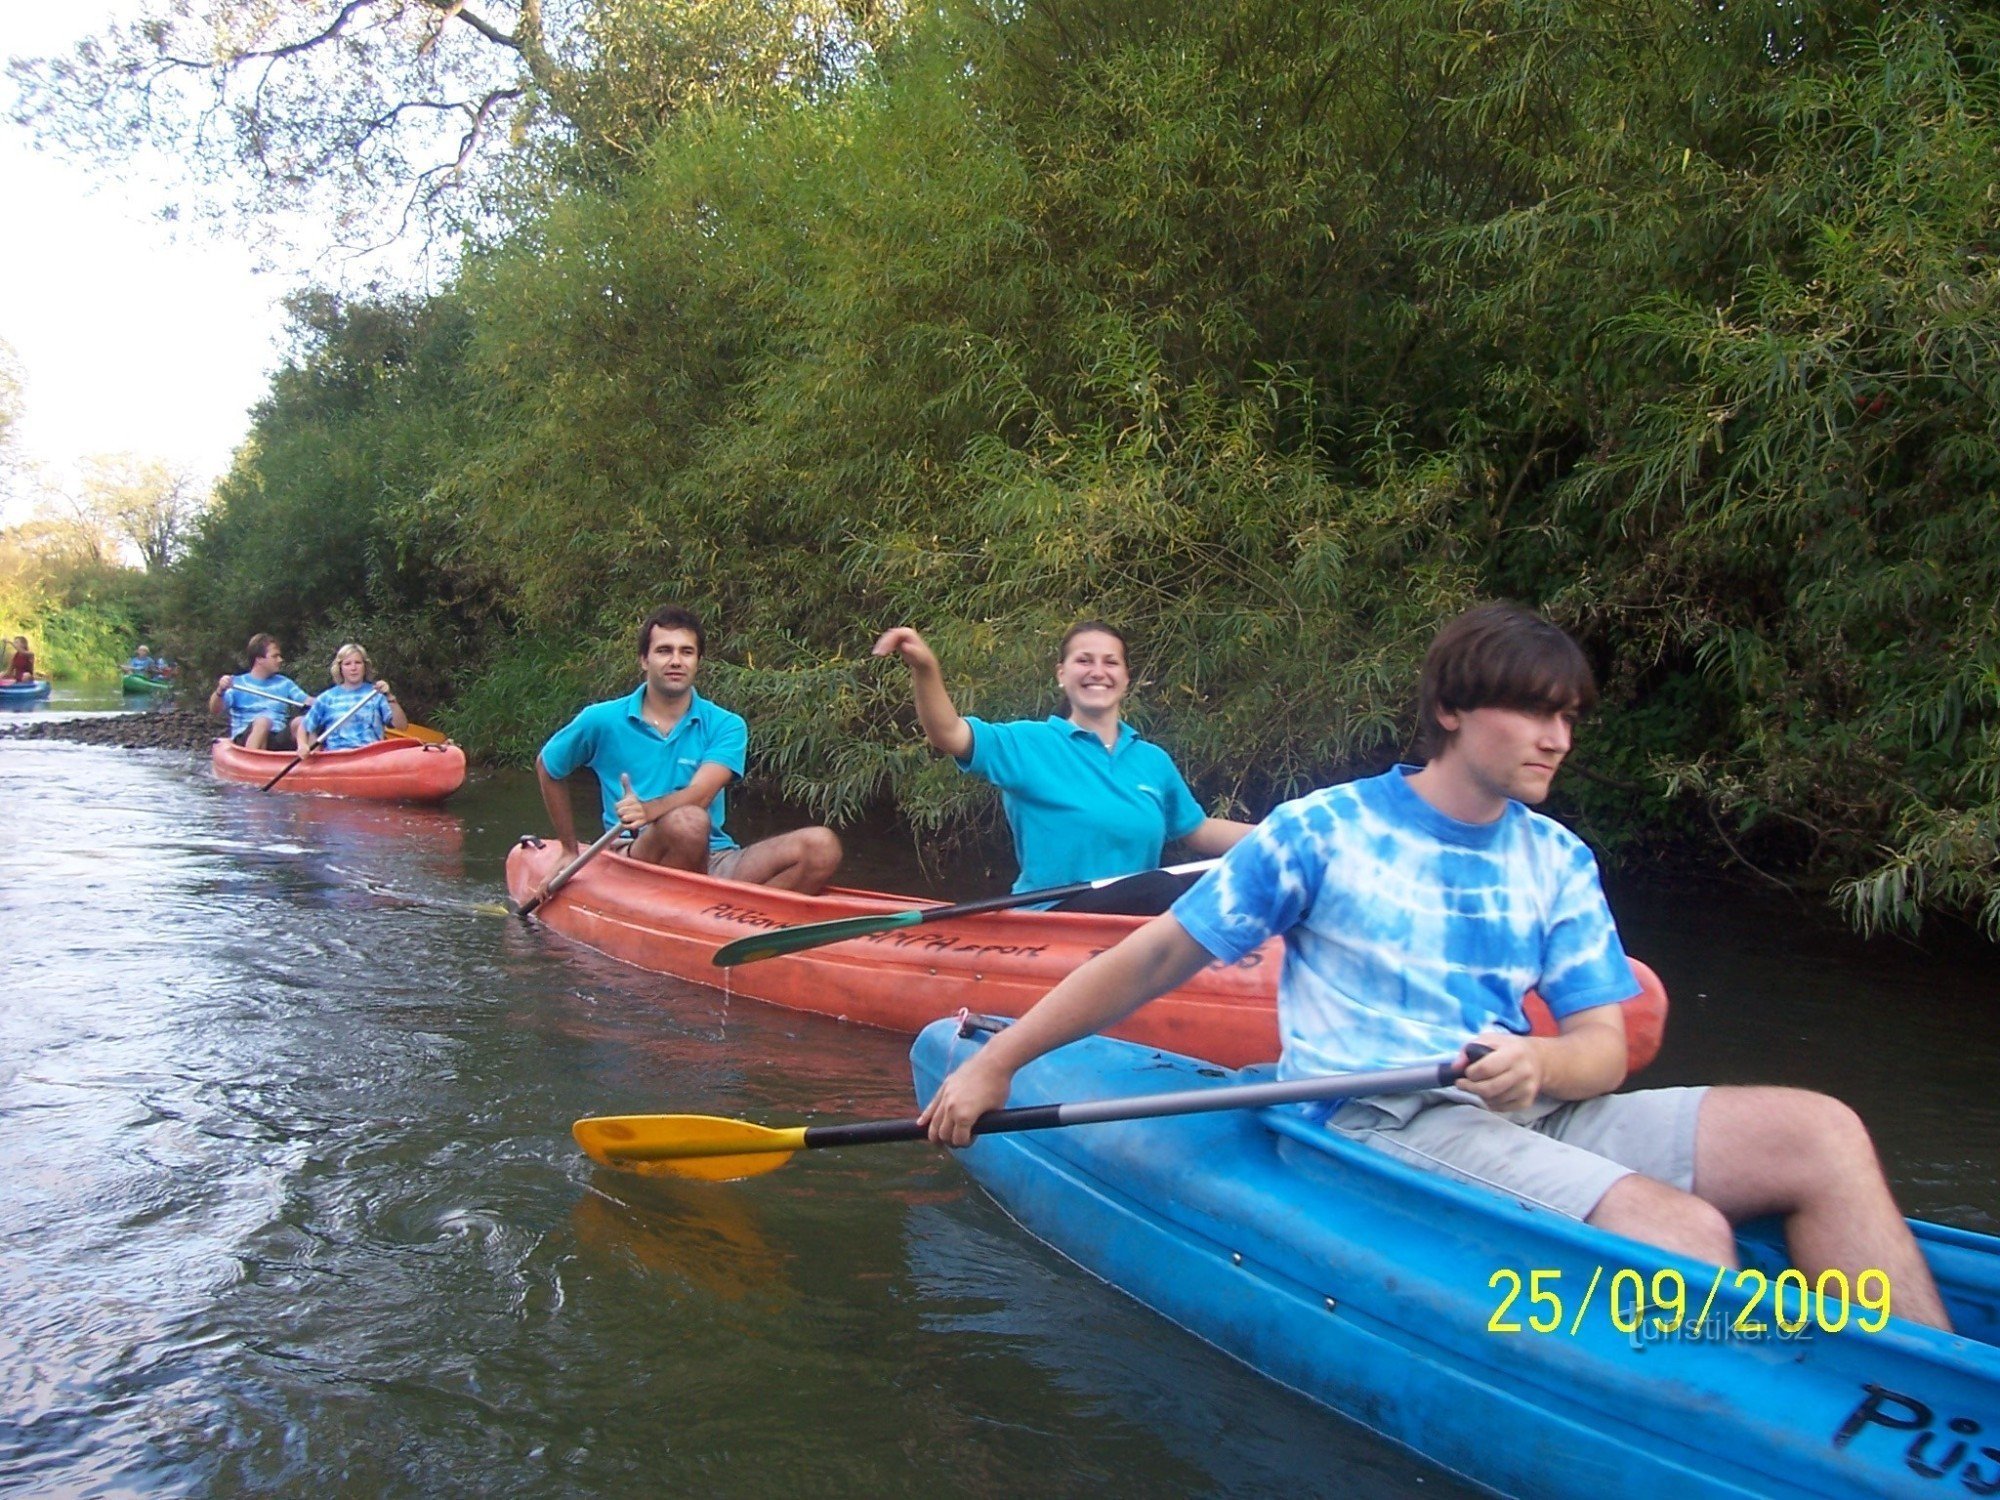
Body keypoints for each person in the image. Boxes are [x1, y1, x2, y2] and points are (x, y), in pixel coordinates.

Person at [922, 602, 1952, 1330]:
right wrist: (997, 1060)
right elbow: (1155, 956)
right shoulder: (1323, 829)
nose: (1556, 738)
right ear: (1455, 711)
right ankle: (1738, 1418)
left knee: (1819, 1131)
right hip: (1377, 1115)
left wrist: (1539, 1068)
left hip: (1521, 1111)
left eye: (1566, 719)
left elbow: (1597, 1042)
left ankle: (1926, 1403)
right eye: (1534, 714)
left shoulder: (1555, 857)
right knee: (1679, 1233)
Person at [872, 621, 1254, 912]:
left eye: (1110, 662)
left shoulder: (1152, 760)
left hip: (1137, 921)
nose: (1097, 671)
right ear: (1061, 674)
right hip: (1057, 915)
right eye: (1083, 660)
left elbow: (1199, 830)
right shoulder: (1028, 742)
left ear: (1125, 677)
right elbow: (948, 733)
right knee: (1164, 888)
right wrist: (926, 668)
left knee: (1228, 879)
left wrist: (1292, 832)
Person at [532, 605, 843, 897]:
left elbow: (701, 794)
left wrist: (647, 809)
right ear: (644, 660)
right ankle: (698, 911)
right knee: (688, 824)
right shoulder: (601, 719)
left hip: (716, 856)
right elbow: (548, 767)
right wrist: (569, 848)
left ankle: (743, 924)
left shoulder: (727, 724)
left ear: (698, 661)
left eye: (686, 652)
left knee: (822, 846)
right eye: (664, 651)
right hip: (636, 854)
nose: (676, 661)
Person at [208, 633, 312, 750]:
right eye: (275, 656)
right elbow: (215, 709)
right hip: (246, 737)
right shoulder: (236, 683)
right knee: (263, 722)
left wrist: (328, 701)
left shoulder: (284, 683)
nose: (280, 660)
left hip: (276, 737)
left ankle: (309, 762)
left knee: (301, 722)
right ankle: (250, 760)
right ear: (259, 659)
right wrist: (220, 690)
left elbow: (307, 701)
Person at [299, 643, 408, 752]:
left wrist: (389, 696)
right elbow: (304, 726)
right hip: (337, 757)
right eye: (347, 664)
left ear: (365, 666)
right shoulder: (327, 698)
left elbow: (402, 726)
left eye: (358, 663)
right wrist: (302, 745)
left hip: (370, 755)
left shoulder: (376, 694)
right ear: (340, 668)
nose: (353, 668)